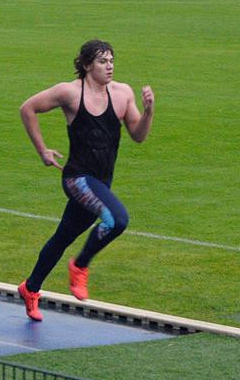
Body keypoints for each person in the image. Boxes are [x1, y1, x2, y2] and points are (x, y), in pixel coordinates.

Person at [16, 40, 154, 321]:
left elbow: (138, 136)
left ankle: (30, 288)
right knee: (117, 220)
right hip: (77, 178)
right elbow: (27, 108)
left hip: (101, 183)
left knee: (63, 237)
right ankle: (79, 266)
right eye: (103, 61)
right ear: (88, 64)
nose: (110, 66)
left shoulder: (122, 94)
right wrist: (42, 149)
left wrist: (149, 111)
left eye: (112, 60)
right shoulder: (69, 92)